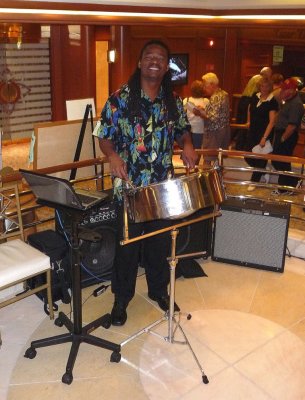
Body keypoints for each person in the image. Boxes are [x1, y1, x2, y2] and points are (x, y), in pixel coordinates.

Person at [96, 40, 197, 326]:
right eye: (149, 56)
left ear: (167, 67)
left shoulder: (173, 102)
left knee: (160, 244)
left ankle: (158, 291)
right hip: (129, 187)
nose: (155, 61)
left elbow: (183, 131)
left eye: (161, 58)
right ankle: (121, 298)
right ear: (140, 63)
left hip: (162, 189)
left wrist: (187, 145)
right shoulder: (120, 99)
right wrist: (112, 155)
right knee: (127, 247)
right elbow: (104, 135)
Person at [271, 77, 305, 195]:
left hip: (287, 136)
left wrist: (282, 138)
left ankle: (286, 186)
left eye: (285, 90)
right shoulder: (289, 101)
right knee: (279, 161)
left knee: (282, 161)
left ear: (292, 90)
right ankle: (288, 185)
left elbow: (292, 126)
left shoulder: (296, 104)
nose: (282, 92)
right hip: (283, 134)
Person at [245, 77, 278, 191]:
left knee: (260, 158)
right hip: (252, 131)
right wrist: (248, 121)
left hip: (264, 132)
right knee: (247, 155)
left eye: (266, 86)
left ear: (270, 87)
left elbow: (272, 121)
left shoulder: (272, 101)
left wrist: (264, 137)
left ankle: (254, 181)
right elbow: (249, 108)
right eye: (262, 86)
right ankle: (263, 169)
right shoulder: (255, 96)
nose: (263, 88)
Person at [196, 72, 230, 162]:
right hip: (223, 130)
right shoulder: (223, 94)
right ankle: (217, 176)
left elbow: (213, 118)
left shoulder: (216, 97)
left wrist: (199, 113)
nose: (204, 88)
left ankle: (205, 176)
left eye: (205, 86)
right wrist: (204, 109)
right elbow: (218, 112)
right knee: (219, 158)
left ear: (212, 84)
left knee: (208, 159)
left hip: (214, 132)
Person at [183, 80, 209, 150]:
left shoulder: (186, 100)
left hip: (188, 129)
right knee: (197, 150)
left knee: (187, 149)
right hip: (200, 130)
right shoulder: (206, 101)